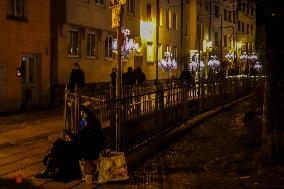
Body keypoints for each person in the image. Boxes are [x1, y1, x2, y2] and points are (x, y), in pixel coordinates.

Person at [35, 105, 104, 182]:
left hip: (85, 149)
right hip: (79, 144)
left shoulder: (94, 124)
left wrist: (73, 141)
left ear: (89, 113)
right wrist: (71, 136)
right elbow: (79, 135)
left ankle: (49, 171)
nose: (81, 113)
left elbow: (87, 142)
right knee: (59, 142)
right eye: (81, 111)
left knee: (59, 143)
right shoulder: (84, 121)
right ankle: (51, 169)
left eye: (84, 112)